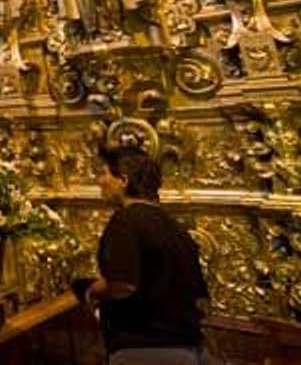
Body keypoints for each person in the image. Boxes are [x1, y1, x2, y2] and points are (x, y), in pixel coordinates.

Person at [86, 147, 210, 364]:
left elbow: (123, 285)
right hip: (189, 348)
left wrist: (91, 290)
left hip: (145, 348)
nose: (99, 181)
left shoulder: (125, 221)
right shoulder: (174, 226)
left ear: (123, 180)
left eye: (104, 173)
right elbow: (199, 296)